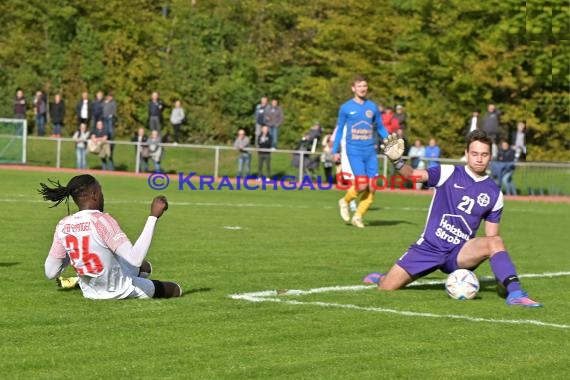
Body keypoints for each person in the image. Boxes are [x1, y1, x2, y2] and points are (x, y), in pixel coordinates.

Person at [363, 130, 541, 307]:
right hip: (429, 248)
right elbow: (412, 176)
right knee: (387, 287)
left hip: (460, 253)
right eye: (474, 154)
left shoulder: (494, 193)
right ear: (466, 154)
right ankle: (382, 278)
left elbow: (491, 239)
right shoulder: (448, 172)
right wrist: (397, 161)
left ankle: (516, 293)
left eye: (484, 154)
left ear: (490, 157)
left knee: (495, 241)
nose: (479, 159)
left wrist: (501, 279)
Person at [39, 174, 182, 299]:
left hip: (90, 292)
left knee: (146, 267)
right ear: (94, 195)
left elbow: (50, 272)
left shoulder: (63, 224)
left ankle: (81, 279)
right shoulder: (101, 220)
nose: (102, 196)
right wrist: (153, 216)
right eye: (101, 192)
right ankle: (136, 278)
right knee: (175, 289)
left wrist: (74, 252)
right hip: (120, 289)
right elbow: (135, 258)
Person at [332, 75, 389, 228]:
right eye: (359, 86)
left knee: (373, 186)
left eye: (364, 86)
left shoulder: (372, 107)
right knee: (362, 184)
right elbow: (339, 130)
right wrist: (334, 149)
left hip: (370, 151)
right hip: (354, 150)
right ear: (353, 88)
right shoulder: (346, 108)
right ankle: (344, 201)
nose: (362, 89)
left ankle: (358, 216)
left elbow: (381, 128)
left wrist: (390, 140)